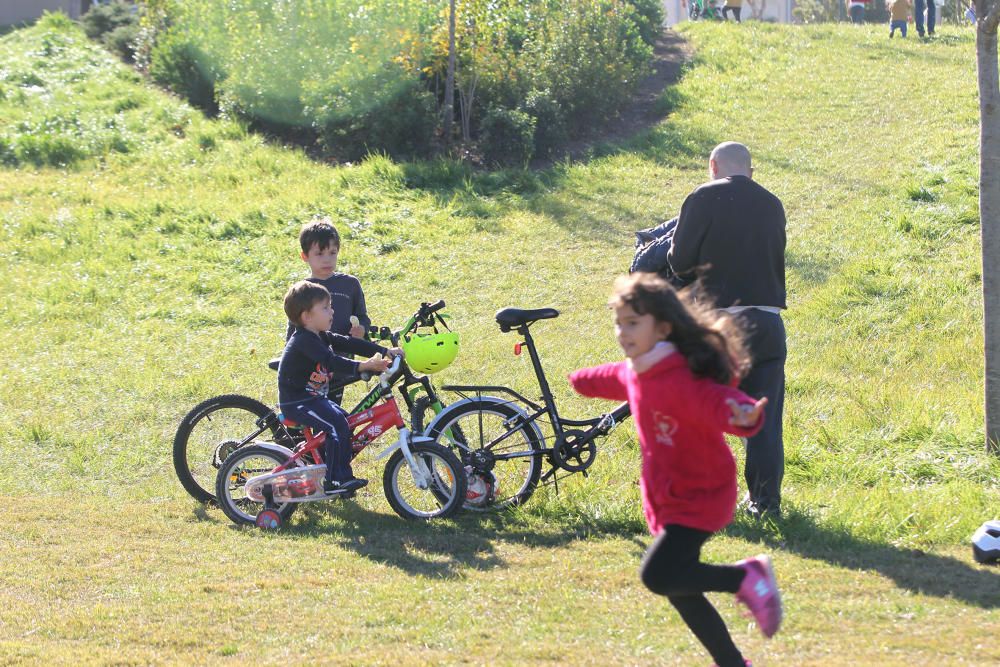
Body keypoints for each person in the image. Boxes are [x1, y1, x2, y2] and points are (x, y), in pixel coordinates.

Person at [569, 274, 782, 667]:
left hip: (702, 493)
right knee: (680, 588)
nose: (623, 332)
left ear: (663, 327)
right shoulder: (638, 371)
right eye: (619, 323)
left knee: (658, 576)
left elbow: (718, 401)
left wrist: (743, 415)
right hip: (671, 497)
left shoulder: (682, 377)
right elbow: (612, 377)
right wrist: (580, 381)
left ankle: (745, 578)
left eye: (633, 322)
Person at [668, 141, 786, 519]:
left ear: (713, 165)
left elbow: (681, 262)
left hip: (719, 322)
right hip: (767, 321)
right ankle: (765, 504)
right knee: (763, 419)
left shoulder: (703, 197)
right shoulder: (772, 203)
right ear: (751, 171)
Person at [279, 281, 398, 495]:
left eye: (330, 306)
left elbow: (350, 343)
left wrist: (384, 350)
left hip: (313, 399)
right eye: (325, 308)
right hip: (298, 402)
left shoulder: (321, 335)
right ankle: (335, 480)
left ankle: (328, 466)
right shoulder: (304, 340)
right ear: (307, 317)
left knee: (347, 422)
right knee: (336, 426)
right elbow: (331, 361)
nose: (332, 311)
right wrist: (363, 366)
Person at [287, 217, 371, 405]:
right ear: (305, 256)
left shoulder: (350, 284)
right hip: (310, 367)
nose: (327, 259)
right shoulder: (303, 290)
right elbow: (293, 329)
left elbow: (363, 316)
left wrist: (362, 329)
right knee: (305, 418)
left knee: (332, 408)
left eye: (332, 253)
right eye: (319, 253)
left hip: (340, 365)